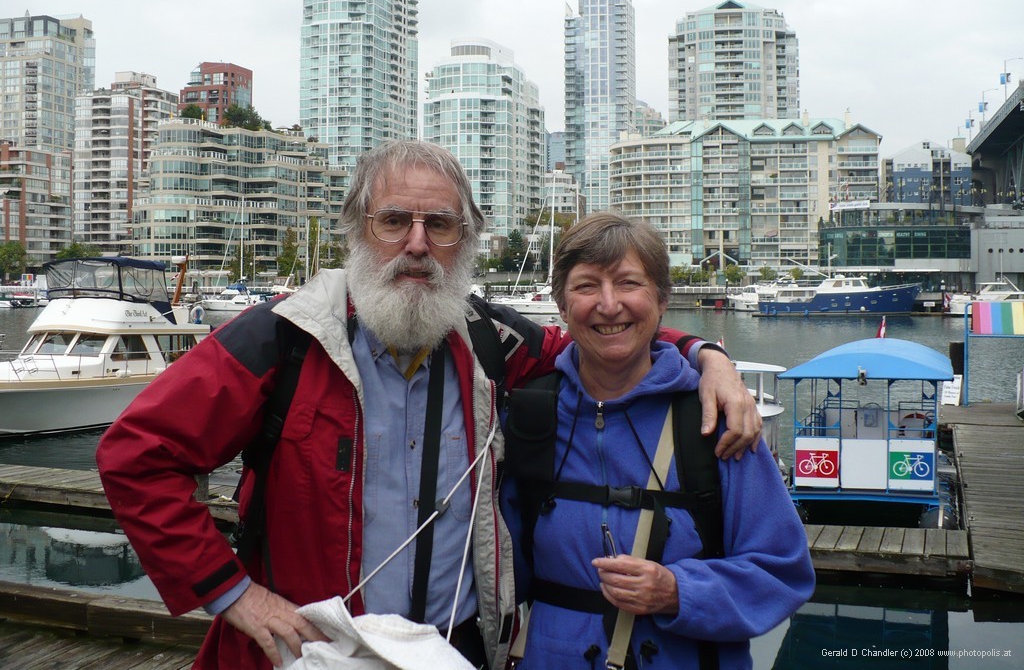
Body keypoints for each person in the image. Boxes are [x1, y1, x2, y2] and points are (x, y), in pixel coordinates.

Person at [96, 141, 760, 670]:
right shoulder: (282, 338)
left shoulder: (492, 343)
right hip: (305, 653)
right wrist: (232, 592)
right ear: (358, 230)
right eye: (395, 221)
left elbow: (605, 333)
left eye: (439, 224)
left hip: (455, 648)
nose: (417, 244)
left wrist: (707, 354)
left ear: (466, 239)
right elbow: (136, 456)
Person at [504, 212, 814, 669]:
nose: (609, 305)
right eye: (587, 286)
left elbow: (783, 570)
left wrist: (679, 591)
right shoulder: (530, 418)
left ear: (663, 299)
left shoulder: (715, 419)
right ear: (561, 304)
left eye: (629, 283)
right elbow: (500, 570)